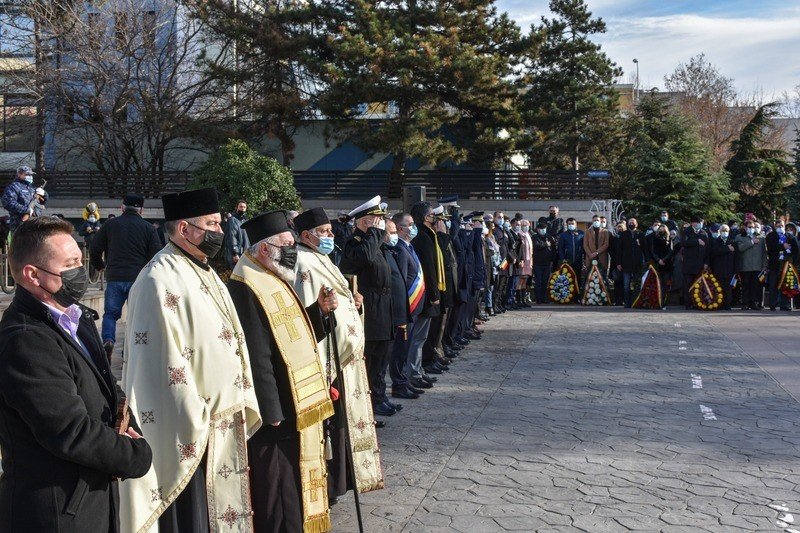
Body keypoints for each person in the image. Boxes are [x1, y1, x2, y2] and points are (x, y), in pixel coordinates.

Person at [120, 188, 262, 533]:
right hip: (191, 425)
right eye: (212, 224)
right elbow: (162, 357)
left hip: (221, 418)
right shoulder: (159, 278)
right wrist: (196, 414)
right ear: (185, 229)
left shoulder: (202, 267)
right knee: (191, 515)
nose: (221, 231)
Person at [0, 217, 152, 532]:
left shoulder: (76, 317)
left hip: (89, 500)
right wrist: (133, 455)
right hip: (55, 512)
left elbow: (107, 388)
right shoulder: (25, 339)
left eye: (80, 260)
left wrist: (126, 422)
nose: (79, 272)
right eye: (70, 264)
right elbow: (68, 431)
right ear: (33, 275)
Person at [227, 210, 340, 533]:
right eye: (287, 244)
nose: (293, 251)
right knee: (276, 490)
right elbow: (255, 352)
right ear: (265, 248)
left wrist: (319, 312)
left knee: (292, 485)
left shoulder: (274, 273)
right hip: (275, 413)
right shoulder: (246, 285)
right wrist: (270, 408)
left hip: (294, 402)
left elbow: (292, 334)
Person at [291, 207, 383, 501]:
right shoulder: (303, 263)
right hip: (328, 356)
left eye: (331, 231)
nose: (331, 236)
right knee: (332, 425)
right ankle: (327, 488)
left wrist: (351, 300)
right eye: (325, 232)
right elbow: (313, 307)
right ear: (307, 235)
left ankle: (341, 482)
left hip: (344, 355)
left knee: (342, 424)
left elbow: (337, 295)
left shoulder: (321, 257)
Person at [339, 197, 396, 415]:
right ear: (365, 221)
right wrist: (373, 233)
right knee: (371, 359)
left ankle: (380, 396)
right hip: (369, 309)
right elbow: (364, 258)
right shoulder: (355, 243)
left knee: (382, 356)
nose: (381, 223)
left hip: (383, 305)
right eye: (377, 219)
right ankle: (370, 404)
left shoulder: (374, 241)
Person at [90, 194, 162, 359]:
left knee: (110, 314)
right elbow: (157, 254)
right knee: (136, 315)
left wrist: (100, 265)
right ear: (141, 210)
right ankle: (129, 349)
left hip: (115, 276)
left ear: (122, 208)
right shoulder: (148, 228)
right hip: (138, 278)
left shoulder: (110, 225)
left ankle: (108, 340)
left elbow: (94, 248)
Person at [408, 201, 445, 387]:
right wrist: (434, 293)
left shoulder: (428, 235)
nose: (435, 219)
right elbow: (429, 269)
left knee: (421, 336)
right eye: (432, 215)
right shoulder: (423, 237)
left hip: (426, 292)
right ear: (425, 218)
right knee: (418, 336)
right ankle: (413, 372)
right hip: (423, 293)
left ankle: (418, 369)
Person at [384, 218, 417, 401]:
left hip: (402, 310)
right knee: (396, 351)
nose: (394, 235)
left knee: (403, 349)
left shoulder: (393, 251)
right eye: (392, 231)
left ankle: (402, 382)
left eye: (395, 231)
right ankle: (399, 384)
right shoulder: (396, 251)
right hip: (395, 312)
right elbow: (402, 280)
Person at [766, 219, 799, 311]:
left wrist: (792, 261)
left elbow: (796, 250)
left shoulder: (790, 237)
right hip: (774, 264)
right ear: (775, 226)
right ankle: (772, 304)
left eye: (781, 226)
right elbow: (770, 248)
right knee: (773, 285)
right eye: (778, 226)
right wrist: (782, 246)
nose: (780, 228)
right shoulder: (770, 236)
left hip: (786, 265)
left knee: (785, 285)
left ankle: (784, 305)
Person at [2, 165, 46, 232]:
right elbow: (8, 203)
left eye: (31, 175)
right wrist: (26, 210)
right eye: (27, 174)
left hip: (34, 223)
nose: (30, 176)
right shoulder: (14, 187)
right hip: (19, 224)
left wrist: (44, 195)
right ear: (19, 174)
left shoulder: (32, 187)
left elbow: (41, 202)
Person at [735, 220, 767, 310]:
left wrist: (764, 264)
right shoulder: (739, 237)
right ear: (745, 227)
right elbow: (740, 248)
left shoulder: (760, 237)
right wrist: (752, 242)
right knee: (745, 285)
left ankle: (753, 303)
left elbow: (764, 252)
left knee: (754, 286)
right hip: (745, 266)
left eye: (753, 227)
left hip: (757, 266)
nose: (751, 229)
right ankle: (745, 303)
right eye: (749, 227)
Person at [681, 216, 710, 309]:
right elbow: (683, 243)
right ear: (693, 223)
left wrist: (706, 262)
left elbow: (707, 250)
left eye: (700, 223)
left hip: (700, 264)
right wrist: (696, 241)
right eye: (698, 223)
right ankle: (688, 303)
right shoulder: (686, 231)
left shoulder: (704, 233)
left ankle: (696, 302)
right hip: (688, 264)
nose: (699, 224)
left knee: (698, 285)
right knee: (688, 284)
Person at [616, 218, 645, 308]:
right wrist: (618, 263)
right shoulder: (624, 234)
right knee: (626, 285)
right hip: (626, 263)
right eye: (630, 223)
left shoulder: (640, 234)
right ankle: (627, 303)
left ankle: (636, 302)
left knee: (637, 283)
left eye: (633, 223)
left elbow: (645, 248)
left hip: (638, 263)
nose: (631, 224)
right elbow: (619, 250)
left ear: (636, 224)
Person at [710, 224, 736, 310]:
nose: (725, 233)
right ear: (720, 232)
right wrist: (727, 249)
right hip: (719, 269)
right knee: (719, 287)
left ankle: (727, 305)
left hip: (729, 269)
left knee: (728, 289)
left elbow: (736, 255)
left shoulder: (732, 241)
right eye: (723, 231)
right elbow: (715, 251)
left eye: (726, 231)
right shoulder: (715, 241)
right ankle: (719, 304)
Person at [650, 225, 675, 307]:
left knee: (665, 284)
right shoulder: (654, 238)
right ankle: (657, 302)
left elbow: (671, 251)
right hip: (657, 264)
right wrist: (658, 260)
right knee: (657, 284)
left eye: (663, 229)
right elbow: (653, 251)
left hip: (666, 264)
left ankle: (663, 303)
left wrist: (663, 260)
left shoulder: (669, 239)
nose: (661, 230)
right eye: (660, 229)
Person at [532, 221, 556, 304]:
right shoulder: (534, 237)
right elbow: (536, 246)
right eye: (541, 229)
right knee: (538, 282)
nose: (543, 230)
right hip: (537, 263)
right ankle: (538, 299)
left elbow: (553, 249)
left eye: (544, 229)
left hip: (547, 263)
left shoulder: (549, 237)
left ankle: (544, 298)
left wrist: (552, 260)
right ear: (538, 229)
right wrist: (545, 244)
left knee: (545, 282)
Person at [223, 199, 250, 268]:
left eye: (244, 207)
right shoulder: (233, 220)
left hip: (244, 254)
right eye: (241, 207)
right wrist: (235, 253)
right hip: (236, 255)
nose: (242, 209)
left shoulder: (245, 220)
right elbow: (232, 237)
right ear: (237, 208)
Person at [558, 217, 585, 283]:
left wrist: (584, 258)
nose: (571, 225)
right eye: (569, 224)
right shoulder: (563, 235)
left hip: (578, 259)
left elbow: (584, 246)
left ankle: (578, 292)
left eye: (572, 223)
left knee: (578, 276)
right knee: (567, 277)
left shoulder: (581, 234)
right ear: (567, 225)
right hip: (567, 260)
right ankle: (568, 293)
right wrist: (562, 259)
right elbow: (560, 248)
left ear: (576, 224)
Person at [515, 219, 533, 306]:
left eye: (527, 225)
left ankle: (523, 299)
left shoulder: (528, 234)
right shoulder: (519, 235)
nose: (526, 227)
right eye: (524, 225)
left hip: (528, 261)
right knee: (520, 280)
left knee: (525, 280)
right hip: (522, 260)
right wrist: (520, 260)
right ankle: (518, 300)